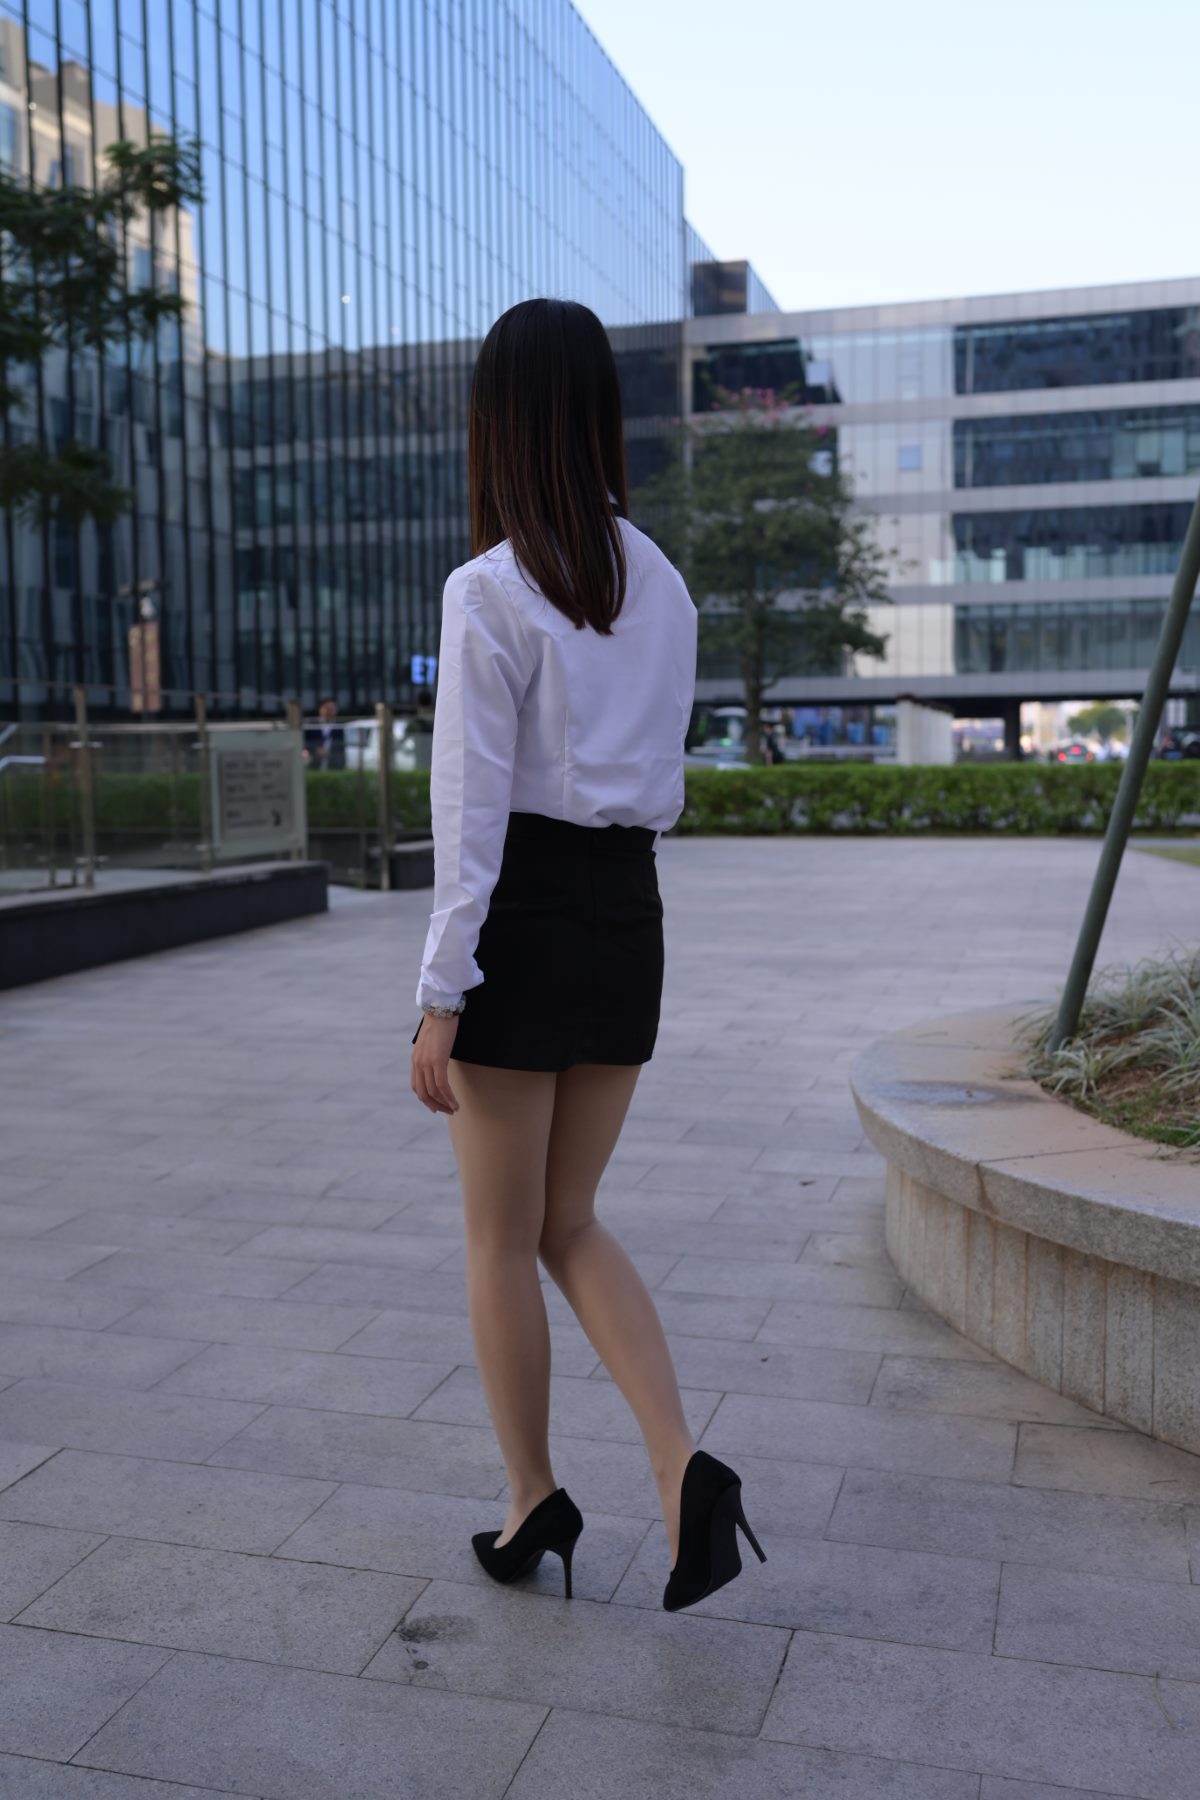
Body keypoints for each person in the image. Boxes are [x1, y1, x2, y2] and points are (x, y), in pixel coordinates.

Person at [410, 298, 766, 1613]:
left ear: (498, 422)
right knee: (570, 1220)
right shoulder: (659, 579)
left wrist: (440, 993)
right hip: (629, 915)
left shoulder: (490, 588)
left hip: (526, 915)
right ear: (600, 414)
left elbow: (469, 811)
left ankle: (533, 1501)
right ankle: (682, 1472)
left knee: (501, 1237)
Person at [305, 697, 345, 770]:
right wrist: (316, 749)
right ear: (320, 709)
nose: (329, 711)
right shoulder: (311, 725)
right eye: (326, 708)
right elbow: (304, 742)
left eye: (332, 708)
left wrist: (331, 753)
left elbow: (342, 746)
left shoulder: (340, 726)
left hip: (334, 763)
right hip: (313, 761)